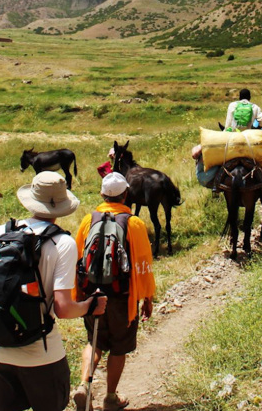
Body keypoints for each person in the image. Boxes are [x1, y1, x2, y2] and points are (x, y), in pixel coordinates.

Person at [0, 171, 107, 411]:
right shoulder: (62, 244)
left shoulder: (2, 232)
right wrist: (92, 305)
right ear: (62, 205)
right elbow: (63, 308)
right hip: (40, 353)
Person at [72, 172, 156, 411]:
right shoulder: (134, 223)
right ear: (126, 195)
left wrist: (78, 295)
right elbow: (143, 265)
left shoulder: (88, 220)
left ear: (101, 194)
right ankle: (110, 398)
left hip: (92, 295)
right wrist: (147, 298)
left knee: (94, 341)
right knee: (119, 346)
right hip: (121, 296)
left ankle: (84, 386)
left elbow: (79, 258)